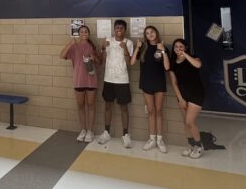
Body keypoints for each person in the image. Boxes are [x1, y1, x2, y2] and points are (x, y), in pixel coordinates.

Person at [130, 25, 170, 152]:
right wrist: (137, 47)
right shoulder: (143, 48)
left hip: (159, 83)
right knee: (151, 111)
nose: (150, 34)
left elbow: (167, 67)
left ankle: (160, 139)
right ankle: (152, 138)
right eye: (147, 33)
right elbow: (131, 62)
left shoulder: (162, 46)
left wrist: (163, 51)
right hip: (146, 82)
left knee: (159, 111)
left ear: (156, 33)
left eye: (152, 32)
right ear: (145, 36)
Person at [60, 24, 100, 142]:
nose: (84, 34)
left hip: (91, 80)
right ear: (78, 34)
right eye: (81, 32)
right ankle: (83, 129)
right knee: (80, 106)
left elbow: (100, 61)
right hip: (78, 80)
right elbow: (62, 55)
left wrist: (94, 58)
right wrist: (70, 44)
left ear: (88, 34)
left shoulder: (92, 46)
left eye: (86, 32)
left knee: (91, 105)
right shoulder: (74, 46)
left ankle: (90, 131)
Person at [97, 19, 134, 147]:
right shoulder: (108, 40)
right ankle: (106, 132)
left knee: (124, 107)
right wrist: (102, 48)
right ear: (114, 29)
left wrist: (125, 50)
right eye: (117, 27)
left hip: (122, 80)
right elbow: (101, 61)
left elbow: (130, 63)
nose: (119, 30)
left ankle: (125, 134)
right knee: (108, 106)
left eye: (121, 28)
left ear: (125, 30)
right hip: (108, 79)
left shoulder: (128, 42)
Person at [168, 38, 206, 158]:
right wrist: (180, 98)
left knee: (190, 121)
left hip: (196, 93)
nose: (178, 49)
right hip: (183, 95)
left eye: (181, 47)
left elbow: (198, 65)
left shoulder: (194, 58)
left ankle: (199, 146)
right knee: (186, 122)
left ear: (186, 48)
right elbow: (174, 82)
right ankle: (191, 145)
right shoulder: (173, 63)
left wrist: (185, 55)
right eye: (176, 47)